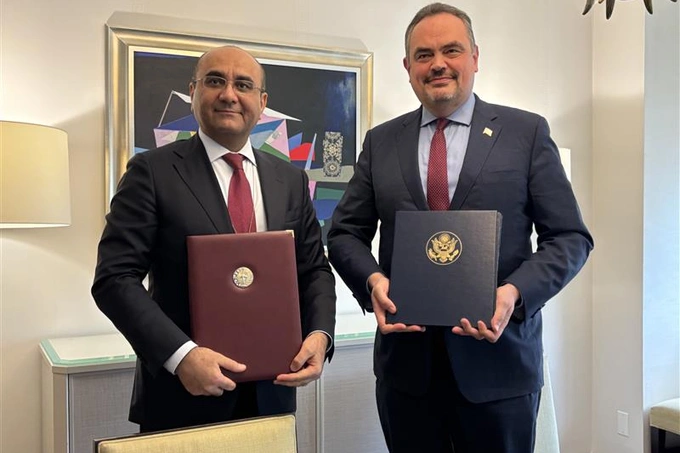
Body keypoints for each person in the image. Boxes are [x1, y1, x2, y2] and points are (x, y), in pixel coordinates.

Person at [326, 3, 593, 453]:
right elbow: (344, 234)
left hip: (500, 369)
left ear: (475, 57)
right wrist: (372, 281)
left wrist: (514, 294)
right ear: (408, 67)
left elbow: (570, 237)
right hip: (407, 374)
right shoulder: (381, 142)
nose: (438, 64)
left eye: (451, 50)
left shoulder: (525, 133)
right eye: (424, 54)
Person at [92, 45, 336, 432]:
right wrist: (181, 356)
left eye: (243, 85)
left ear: (262, 102)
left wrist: (320, 335)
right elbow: (114, 279)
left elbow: (314, 270)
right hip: (181, 397)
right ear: (194, 92)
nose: (229, 94)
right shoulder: (151, 172)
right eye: (215, 81)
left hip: (273, 395)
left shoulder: (290, 180)